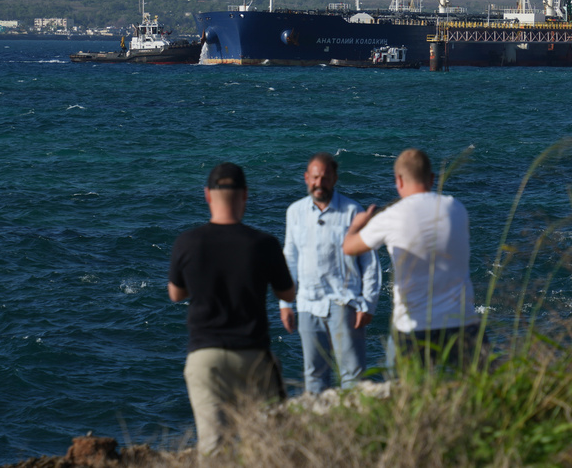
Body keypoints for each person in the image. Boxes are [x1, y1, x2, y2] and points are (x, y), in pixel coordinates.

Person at [168, 162, 295, 457]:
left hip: (205, 356)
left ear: (207, 195)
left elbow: (176, 293)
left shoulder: (187, 242)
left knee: (213, 447)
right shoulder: (264, 244)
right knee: (267, 444)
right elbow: (287, 292)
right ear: (245, 195)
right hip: (252, 354)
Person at [343, 148, 483, 369]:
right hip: (463, 322)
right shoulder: (457, 208)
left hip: (413, 327)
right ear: (431, 178)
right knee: (472, 392)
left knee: (406, 395)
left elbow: (349, 248)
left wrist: (357, 225)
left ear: (398, 180)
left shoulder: (392, 216)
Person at [279, 152, 382, 393]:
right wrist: (285, 304)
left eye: (325, 178)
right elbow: (290, 258)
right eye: (315, 178)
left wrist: (368, 304)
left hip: (344, 302)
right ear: (306, 178)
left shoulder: (352, 211)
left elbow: (370, 262)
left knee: (353, 375)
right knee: (314, 375)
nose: (319, 183)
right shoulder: (294, 212)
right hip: (307, 303)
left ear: (334, 179)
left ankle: (356, 427)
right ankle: (320, 428)